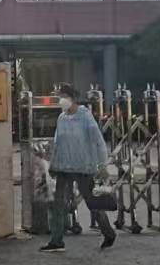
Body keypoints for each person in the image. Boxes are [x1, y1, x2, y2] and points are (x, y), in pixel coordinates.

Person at [43, 84, 114, 253]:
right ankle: (56, 241)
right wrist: (53, 164)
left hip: (83, 167)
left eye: (63, 97)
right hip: (63, 167)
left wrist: (102, 165)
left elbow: (98, 141)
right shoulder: (61, 118)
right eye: (59, 97)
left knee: (93, 203)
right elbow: (58, 143)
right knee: (58, 204)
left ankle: (108, 233)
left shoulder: (85, 116)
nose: (60, 100)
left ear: (72, 98)